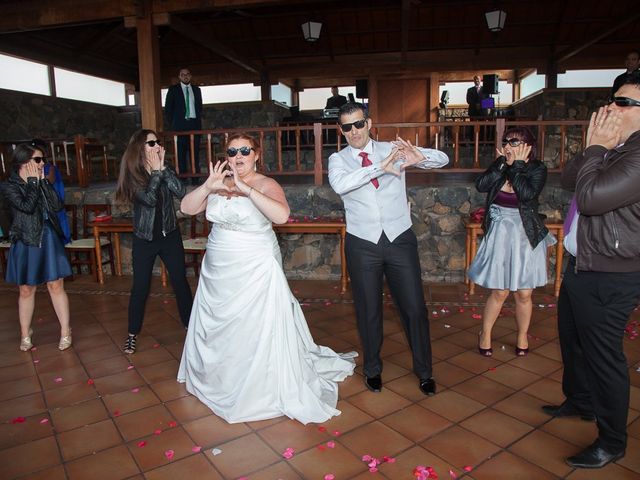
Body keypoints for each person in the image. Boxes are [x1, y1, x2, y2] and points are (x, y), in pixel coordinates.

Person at [177, 133, 356, 424]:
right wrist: (208, 186)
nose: (238, 156)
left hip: (254, 266)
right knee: (220, 324)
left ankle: (258, 382)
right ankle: (219, 376)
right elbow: (187, 208)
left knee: (254, 323)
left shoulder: (265, 184)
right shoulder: (217, 183)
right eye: (232, 151)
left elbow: (281, 216)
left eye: (245, 150)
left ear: (256, 154)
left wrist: (246, 189)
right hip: (218, 270)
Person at [542, 74, 640, 469]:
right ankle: (580, 401)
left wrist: (599, 146)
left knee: (603, 356)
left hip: (611, 273)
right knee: (572, 340)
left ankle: (612, 440)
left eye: (624, 103)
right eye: (614, 100)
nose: (611, 108)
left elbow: (592, 198)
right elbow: (570, 180)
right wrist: (595, 148)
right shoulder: (618, 149)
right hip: (584, 264)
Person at [328, 102, 448, 395]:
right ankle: (372, 369)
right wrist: (378, 169)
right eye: (347, 127)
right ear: (340, 131)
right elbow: (341, 186)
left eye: (358, 124)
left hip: (399, 239)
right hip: (363, 243)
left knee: (414, 309)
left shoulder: (391, 148)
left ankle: (424, 372)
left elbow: (442, 159)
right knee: (368, 310)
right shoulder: (339, 160)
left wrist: (422, 157)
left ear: (369, 123)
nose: (354, 131)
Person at [468, 127, 555, 357]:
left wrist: (516, 166)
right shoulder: (500, 164)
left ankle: (522, 335)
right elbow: (481, 185)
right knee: (500, 291)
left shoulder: (537, 169)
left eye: (514, 142)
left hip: (525, 235)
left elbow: (527, 194)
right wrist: (502, 165)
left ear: (527, 145)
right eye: (506, 141)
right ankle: (485, 333)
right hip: (501, 235)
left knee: (524, 293)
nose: (507, 145)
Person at [115, 130, 193, 354]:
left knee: (180, 282)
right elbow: (148, 199)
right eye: (152, 143)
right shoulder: (133, 175)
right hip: (145, 239)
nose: (157, 145)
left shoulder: (165, 168)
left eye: (158, 142)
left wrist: (163, 170)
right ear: (141, 147)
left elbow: (181, 191)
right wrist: (156, 172)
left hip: (169, 235)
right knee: (140, 287)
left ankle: (190, 326)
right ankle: (132, 334)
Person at [1, 143, 72, 351]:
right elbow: (26, 207)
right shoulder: (9, 186)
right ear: (24, 162)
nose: (44, 164)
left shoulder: (41, 181)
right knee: (26, 289)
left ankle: (65, 330)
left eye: (43, 160)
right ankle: (25, 333)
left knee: (55, 285)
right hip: (25, 240)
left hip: (48, 238)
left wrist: (43, 184)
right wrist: (33, 183)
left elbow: (57, 206)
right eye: (39, 160)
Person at [164, 68, 203, 180]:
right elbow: (168, 109)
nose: (185, 76)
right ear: (179, 77)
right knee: (180, 154)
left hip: (194, 125)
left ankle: (196, 177)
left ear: (190, 76)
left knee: (194, 152)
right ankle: (183, 178)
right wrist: (174, 124)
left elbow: (199, 107)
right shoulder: (173, 89)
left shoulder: (196, 90)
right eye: (182, 75)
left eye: (187, 74)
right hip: (179, 126)